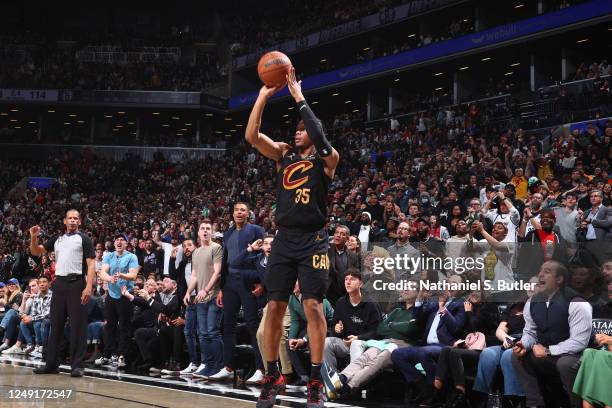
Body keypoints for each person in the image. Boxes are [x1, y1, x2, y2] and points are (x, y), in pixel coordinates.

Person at [245, 66, 340, 408]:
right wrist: (262, 96)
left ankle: (315, 381)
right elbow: (252, 136)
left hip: (314, 238)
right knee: (274, 307)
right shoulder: (284, 154)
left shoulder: (328, 160)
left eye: (303, 130)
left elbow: (317, 131)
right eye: (297, 129)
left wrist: (297, 94)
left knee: (313, 306)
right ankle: (272, 376)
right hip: (284, 238)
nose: (298, 133)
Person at [511, 261, 592, 408]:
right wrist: (524, 343)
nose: (540, 274)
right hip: (546, 356)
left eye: (547, 271)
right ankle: (536, 404)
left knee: (565, 363)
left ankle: (577, 405)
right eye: (540, 271)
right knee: (518, 357)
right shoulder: (532, 302)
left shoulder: (577, 303)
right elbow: (530, 332)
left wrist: (549, 350)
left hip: (574, 356)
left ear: (559, 279)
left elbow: (579, 342)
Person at [29, 209, 96, 377]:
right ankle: (51, 364)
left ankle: (77, 366)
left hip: (77, 284)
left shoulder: (84, 239)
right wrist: (33, 237)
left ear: (79, 222)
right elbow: (36, 251)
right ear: (65, 221)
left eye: (76, 218)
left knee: (78, 326)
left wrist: (88, 287)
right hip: (59, 284)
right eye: (70, 218)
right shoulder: (57, 239)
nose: (72, 221)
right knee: (55, 325)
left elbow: (91, 265)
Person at [211, 203, 264, 380]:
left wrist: (259, 281)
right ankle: (228, 367)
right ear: (232, 214)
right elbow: (226, 262)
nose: (239, 213)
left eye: (243, 210)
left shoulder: (256, 230)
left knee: (252, 325)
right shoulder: (228, 233)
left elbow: (261, 256)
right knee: (228, 325)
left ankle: (261, 369)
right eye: (236, 210)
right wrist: (221, 288)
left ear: (248, 213)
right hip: (230, 284)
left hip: (248, 282)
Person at [183, 221, 223, 378]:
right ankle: (207, 364)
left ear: (212, 232)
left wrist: (206, 289)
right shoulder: (196, 252)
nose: (205, 231)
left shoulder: (216, 248)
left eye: (208, 229)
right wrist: (188, 292)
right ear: (198, 233)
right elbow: (194, 275)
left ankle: (218, 366)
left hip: (213, 295)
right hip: (200, 298)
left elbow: (218, 272)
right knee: (202, 333)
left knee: (212, 331)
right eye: (203, 228)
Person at [95, 234, 139, 369]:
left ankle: (122, 355)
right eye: (117, 240)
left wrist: (121, 275)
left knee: (124, 326)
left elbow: (133, 275)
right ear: (114, 243)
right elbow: (102, 272)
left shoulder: (132, 257)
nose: (119, 242)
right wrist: (109, 279)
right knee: (109, 326)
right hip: (112, 295)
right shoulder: (108, 255)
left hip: (125, 295)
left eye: (122, 240)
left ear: (126, 244)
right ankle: (108, 355)